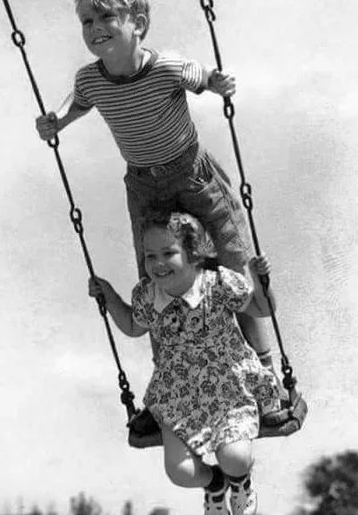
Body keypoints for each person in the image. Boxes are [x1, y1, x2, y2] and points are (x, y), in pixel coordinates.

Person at [36, 0, 274, 368]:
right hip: (145, 188)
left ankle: (265, 368)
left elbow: (203, 77)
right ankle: (171, 375)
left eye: (106, 17)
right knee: (157, 279)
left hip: (195, 177)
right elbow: (79, 102)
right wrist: (57, 120)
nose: (95, 28)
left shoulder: (166, 67)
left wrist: (218, 83)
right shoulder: (91, 79)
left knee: (232, 266)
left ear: (139, 24)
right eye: (87, 21)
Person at [88, 211, 281, 515]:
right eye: (150, 256)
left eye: (168, 253)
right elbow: (133, 326)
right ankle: (214, 484)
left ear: (193, 254)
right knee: (181, 473)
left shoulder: (218, 284)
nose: (158, 263)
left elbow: (262, 308)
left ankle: (240, 483)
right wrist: (109, 296)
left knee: (236, 459)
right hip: (177, 394)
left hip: (228, 387)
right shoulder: (148, 297)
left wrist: (261, 281)